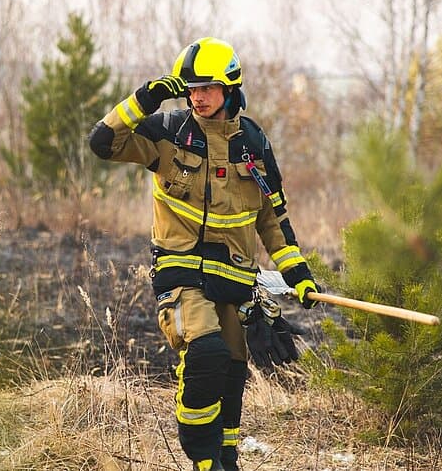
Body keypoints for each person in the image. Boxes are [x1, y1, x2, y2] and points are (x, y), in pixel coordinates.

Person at [88, 37, 320, 471]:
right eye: (191, 88)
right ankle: (202, 458)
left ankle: (226, 458)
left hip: (232, 279)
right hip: (181, 276)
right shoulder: (168, 132)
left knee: (233, 371)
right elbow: (103, 142)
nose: (198, 96)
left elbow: (272, 218)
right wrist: (145, 99)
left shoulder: (253, 143)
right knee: (206, 354)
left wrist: (298, 274)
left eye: (208, 87)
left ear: (230, 88)